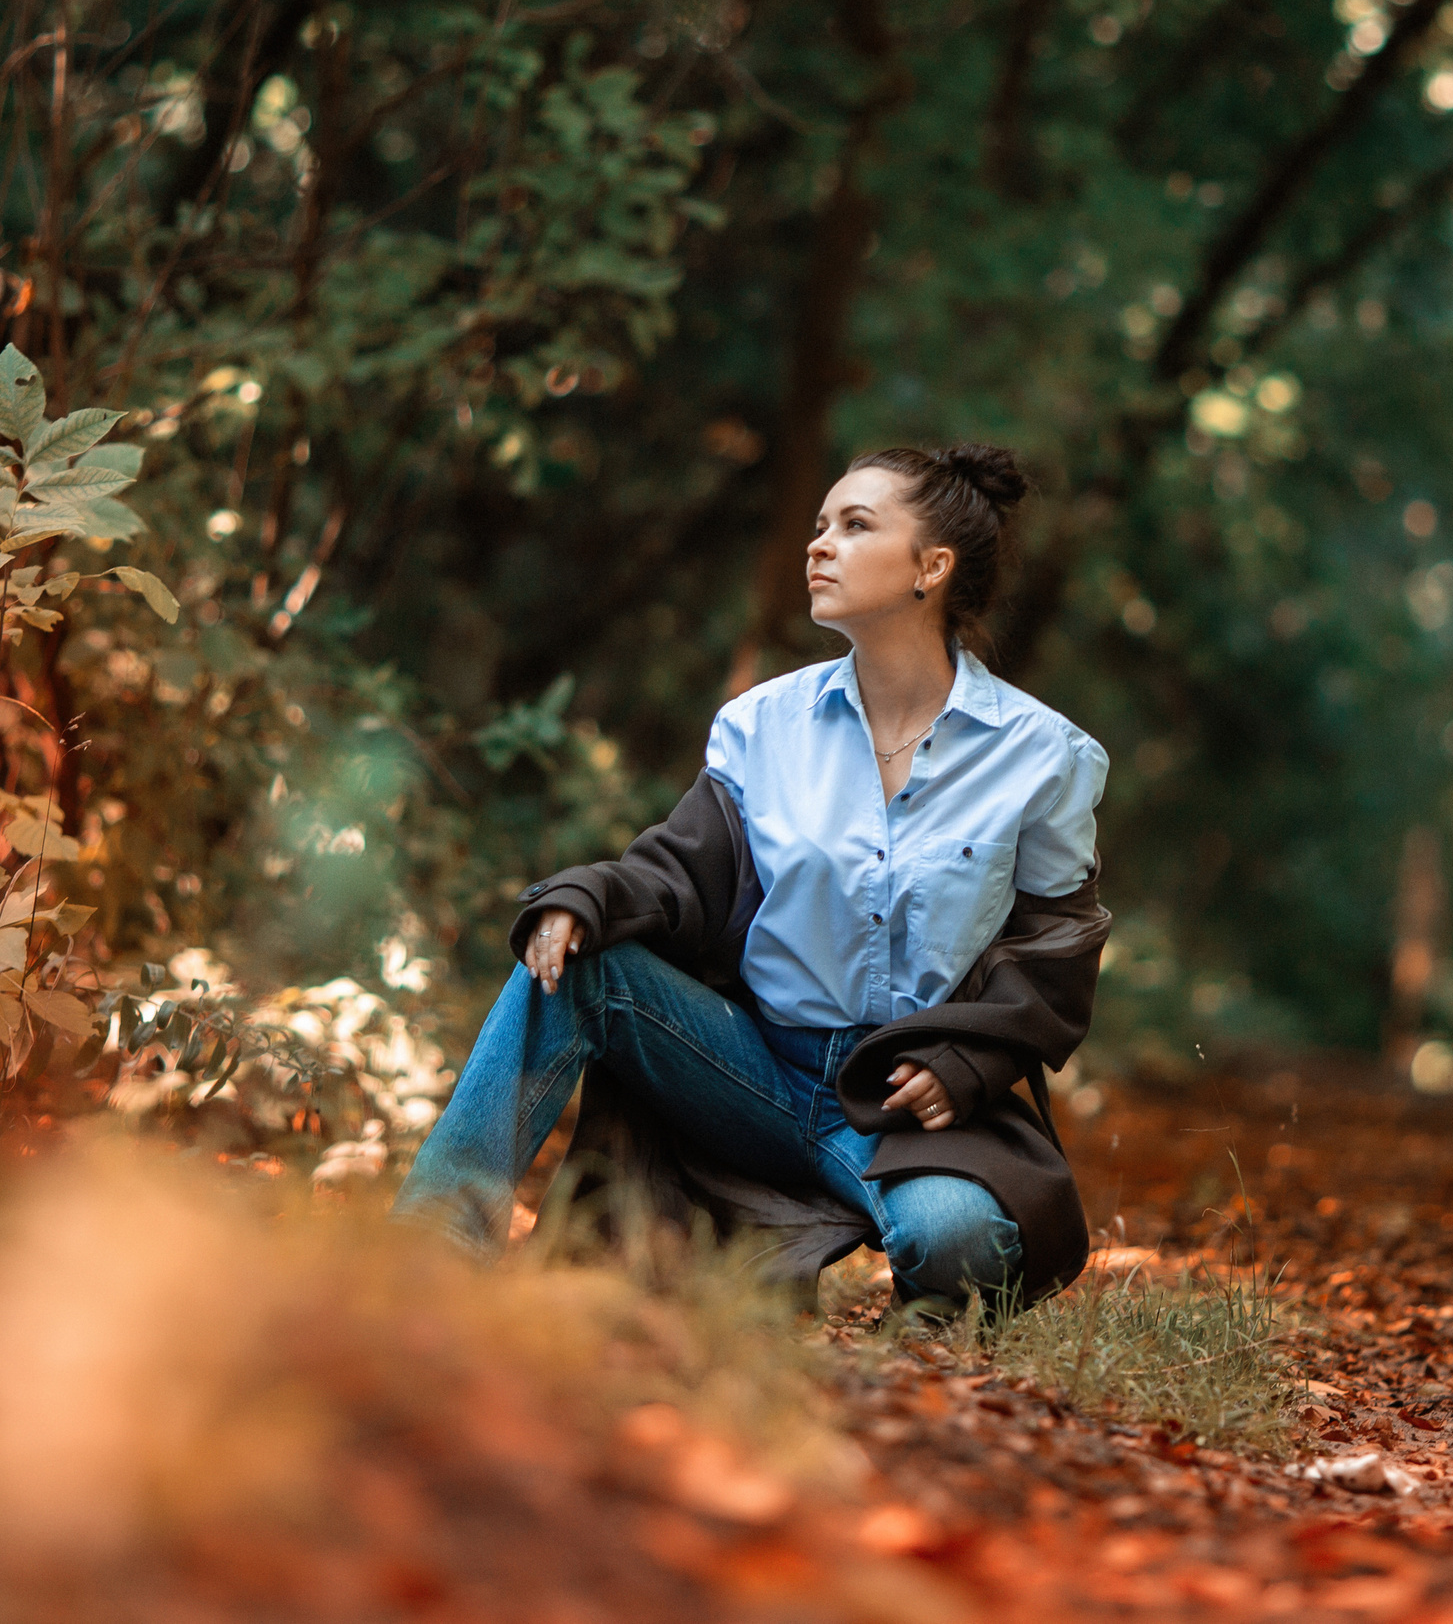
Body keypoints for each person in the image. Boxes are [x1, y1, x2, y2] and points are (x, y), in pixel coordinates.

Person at [392, 444, 1110, 1314]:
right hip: (747, 1069)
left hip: (898, 1113)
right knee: (575, 963)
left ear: (932, 566)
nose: (819, 545)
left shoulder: (1045, 757)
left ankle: (917, 1357)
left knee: (962, 1240)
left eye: (854, 525)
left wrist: (968, 1058)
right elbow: (680, 869)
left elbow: (1054, 952)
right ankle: (424, 1256)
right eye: (818, 526)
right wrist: (586, 898)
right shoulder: (763, 724)